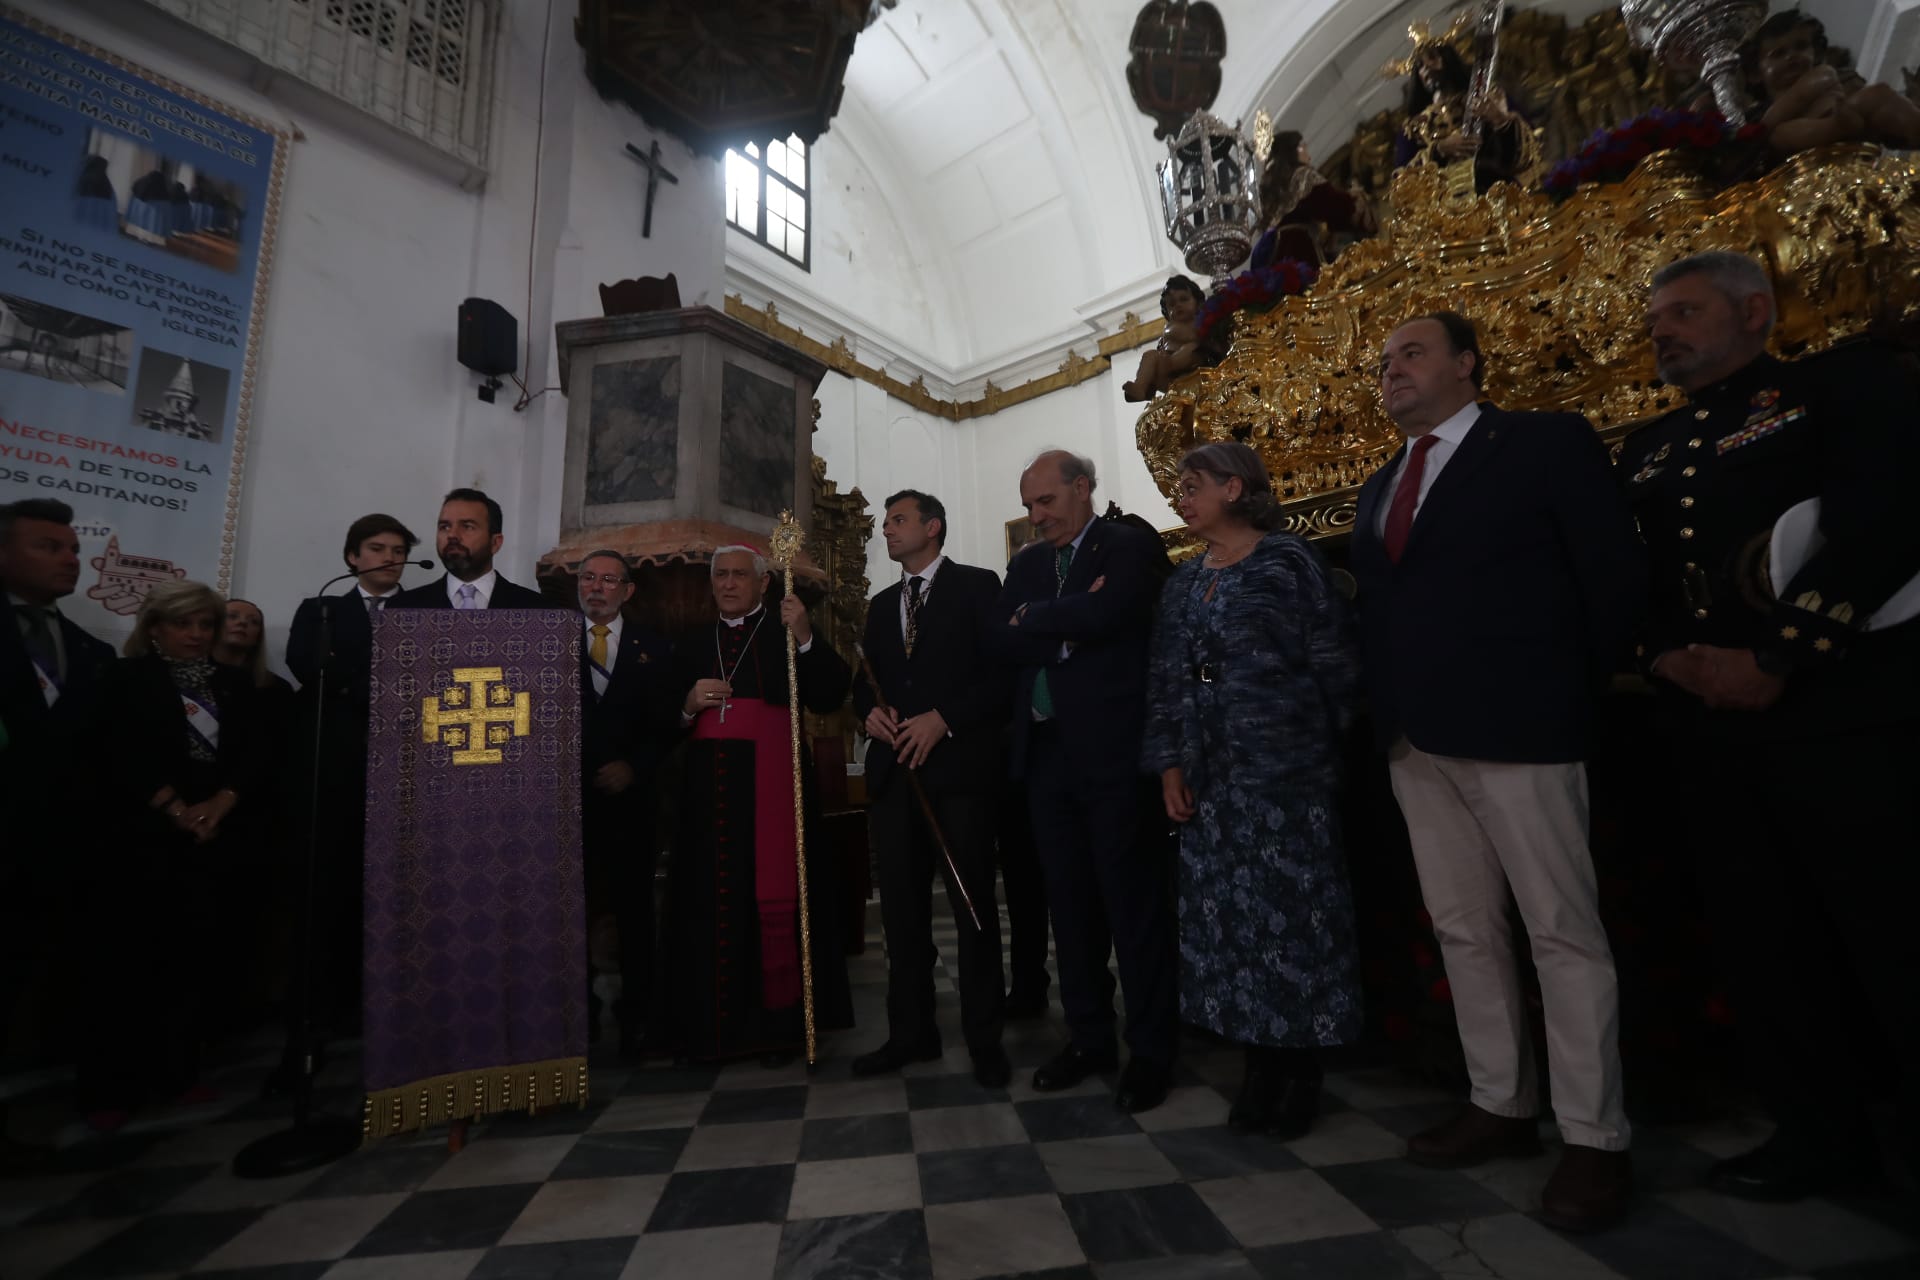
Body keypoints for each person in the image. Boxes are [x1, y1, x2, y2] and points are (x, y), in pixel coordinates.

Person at [1625, 251, 1920, 1201]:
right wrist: (1667, 656)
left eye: (1684, 310)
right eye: (1656, 316)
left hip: (1840, 710)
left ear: (1756, 311)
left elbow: (1891, 512)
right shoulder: (1651, 447)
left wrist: (1783, 653)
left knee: (1888, 931)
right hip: (1709, 726)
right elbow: (1637, 576)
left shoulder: (1838, 386)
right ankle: (1814, 1135)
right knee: (1763, 943)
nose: (1662, 328)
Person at [1351, 312, 1645, 1231]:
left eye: (1413, 353)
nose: (1393, 370)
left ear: (1469, 364)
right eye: (1386, 361)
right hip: (1415, 742)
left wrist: (1569, 690)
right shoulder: (1379, 484)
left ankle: (1594, 1139)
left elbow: (1608, 574)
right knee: (1465, 930)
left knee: (1561, 930)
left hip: (1523, 725)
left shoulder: (1542, 443)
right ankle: (1499, 1104)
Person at [1143, 442, 1363, 1139]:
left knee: (1294, 922)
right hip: (1210, 784)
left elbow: (1332, 660)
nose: (1181, 497)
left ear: (1235, 488)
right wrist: (1170, 765)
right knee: (1229, 928)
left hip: (1285, 775)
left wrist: (1327, 744)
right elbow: (1165, 683)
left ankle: (1301, 1068)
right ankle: (1257, 1065)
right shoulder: (1181, 582)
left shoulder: (1287, 561)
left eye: (1192, 484)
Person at [992, 450, 1177, 1114]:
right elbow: (1001, 639)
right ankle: (1089, 1037)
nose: (1036, 516)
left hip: (1113, 758)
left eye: (1046, 501)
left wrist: (1039, 620)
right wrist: (1063, 621)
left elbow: (1115, 617)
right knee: (1068, 908)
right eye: (1029, 504)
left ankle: (1152, 1050)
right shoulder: (1027, 565)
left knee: (1133, 907)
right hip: (1045, 759)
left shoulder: (1124, 548)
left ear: (1080, 489)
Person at [82, 581, 263, 1127]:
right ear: (155, 627)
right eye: (184, 624)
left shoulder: (232, 686)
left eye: (205, 625)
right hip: (142, 841)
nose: (196, 634)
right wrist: (176, 808)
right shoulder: (125, 678)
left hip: (211, 838)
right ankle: (112, 1088)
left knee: (192, 960)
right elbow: (118, 752)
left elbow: (256, 754)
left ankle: (179, 1073)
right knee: (127, 966)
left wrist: (221, 803)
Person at [665, 546, 854, 1063]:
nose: (728, 584)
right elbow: (658, 716)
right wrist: (685, 705)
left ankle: (779, 1023)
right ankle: (711, 1023)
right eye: (720, 576)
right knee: (709, 901)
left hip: (774, 790)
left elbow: (830, 695)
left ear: (763, 583)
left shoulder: (782, 632)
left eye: (739, 576)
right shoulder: (690, 641)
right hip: (708, 797)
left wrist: (806, 636)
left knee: (772, 893)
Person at [850, 491, 1012, 1087]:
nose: (887, 531)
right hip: (897, 781)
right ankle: (910, 1033)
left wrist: (943, 717)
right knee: (901, 913)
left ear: (932, 527)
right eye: (888, 522)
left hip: (960, 776)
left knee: (971, 911)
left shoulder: (977, 586)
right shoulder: (879, 604)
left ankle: (984, 1038)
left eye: (898, 520)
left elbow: (999, 674)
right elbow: (865, 685)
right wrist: (868, 714)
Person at [282, 514, 420, 1055]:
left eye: (398, 550)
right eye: (377, 548)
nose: (389, 557)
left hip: (407, 767)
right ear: (352, 557)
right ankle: (319, 1014)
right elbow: (307, 666)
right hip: (336, 769)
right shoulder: (323, 608)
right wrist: (379, 684)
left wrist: (352, 677)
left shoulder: (422, 608)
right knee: (328, 892)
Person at [1, 500, 114, 1158]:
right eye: (49, 546)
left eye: (72, 547)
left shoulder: (88, 651)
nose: (69, 558)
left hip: (63, 852)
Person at [575, 549, 676, 1058]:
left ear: (628, 591)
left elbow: (667, 724)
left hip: (632, 802)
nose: (597, 587)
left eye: (609, 580)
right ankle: (579, 1015)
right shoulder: (548, 646)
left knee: (636, 911)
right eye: (588, 578)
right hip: (567, 805)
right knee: (571, 910)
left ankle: (638, 1015)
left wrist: (634, 766)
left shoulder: (654, 648)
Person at [211, 597, 296, 1027]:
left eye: (254, 621)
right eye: (234, 617)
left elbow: (276, 759)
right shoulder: (181, 679)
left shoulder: (274, 691)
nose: (243, 625)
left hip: (252, 820)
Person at [1745, 11, 1920, 156]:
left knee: (1877, 95)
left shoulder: (1822, 74)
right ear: (1755, 73)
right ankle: (1837, 126)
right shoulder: (1756, 114)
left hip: (1843, 113)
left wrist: (1762, 130)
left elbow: (1797, 98)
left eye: (1801, 46)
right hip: (1819, 133)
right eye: (1778, 54)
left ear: (1817, 53)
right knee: (1781, 134)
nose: (1791, 56)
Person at [1395, 41, 1538, 193]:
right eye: (1420, 66)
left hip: (1496, 191)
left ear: (1448, 58)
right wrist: (1439, 151)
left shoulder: (1487, 99)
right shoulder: (1414, 127)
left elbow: (1527, 149)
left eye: (1432, 58)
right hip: (1445, 209)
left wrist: (1501, 121)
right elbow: (1402, 181)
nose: (1427, 68)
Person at [391, 488, 548, 609]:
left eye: (467, 526)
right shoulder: (404, 607)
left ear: (495, 542)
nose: (452, 535)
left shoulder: (536, 607)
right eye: (445, 527)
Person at [1251, 131, 1375, 269]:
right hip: (1299, 250)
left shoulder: (1275, 187)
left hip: (1278, 255)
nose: (1308, 155)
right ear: (1293, 151)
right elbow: (1332, 205)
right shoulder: (1302, 176)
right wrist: (1355, 195)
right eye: (1303, 147)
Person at [1123, 276, 1207, 402]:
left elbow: (1196, 339)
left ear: (1198, 303)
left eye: (1183, 299)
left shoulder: (1199, 323)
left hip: (1193, 364)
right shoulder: (1170, 328)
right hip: (1168, 373)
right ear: (1166, 312)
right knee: (1150, 355)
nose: (1178, 305)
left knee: (1189, 348)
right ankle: (1141, 387)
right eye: (1172, 304)